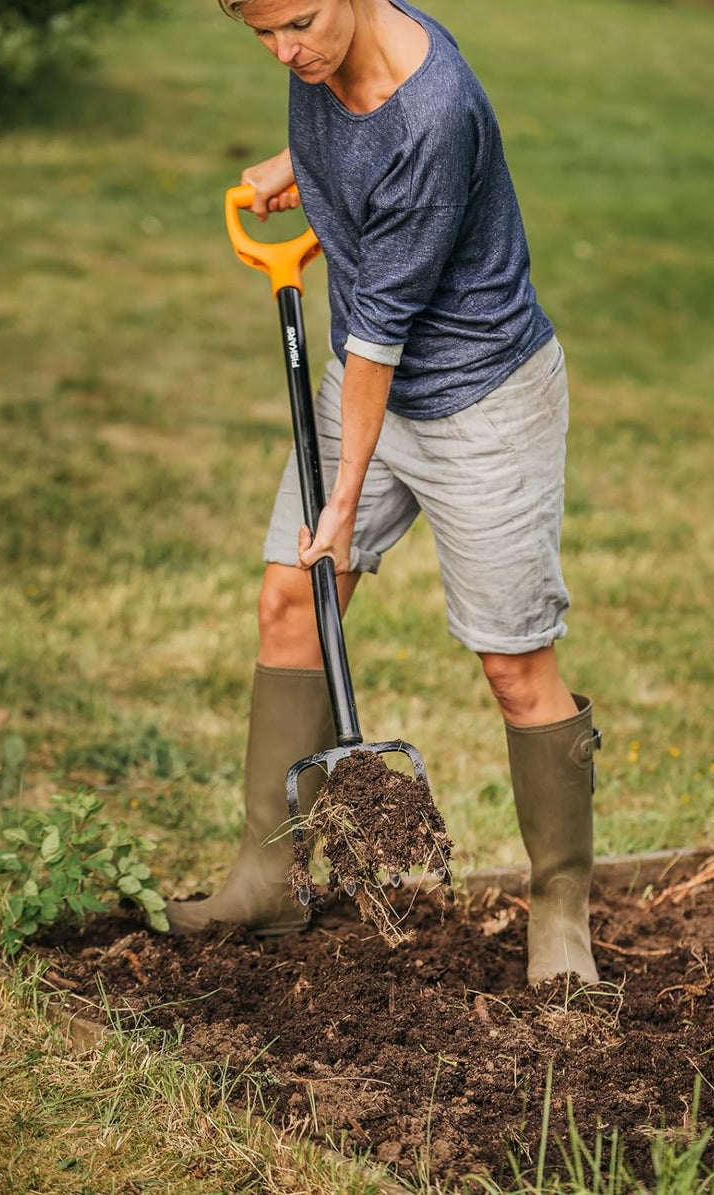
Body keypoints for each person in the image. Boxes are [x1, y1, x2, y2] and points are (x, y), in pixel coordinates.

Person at [166, 0, 601, 985]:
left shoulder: (434, 109)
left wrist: (346, 487)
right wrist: (301, 167)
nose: (286, 51)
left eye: (297, 24)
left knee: (510, 661)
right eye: (263, 36)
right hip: (369, 378)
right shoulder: (329, 51)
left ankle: (560, 908)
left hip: (476, 399)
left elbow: (378, 338)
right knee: (290, 600)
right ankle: (266, 875)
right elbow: (345, 133)